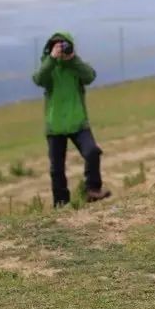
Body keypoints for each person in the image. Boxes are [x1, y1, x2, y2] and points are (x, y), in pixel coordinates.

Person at [32, 31, 111, 207]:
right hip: (56, 126)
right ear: (50, 48)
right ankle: (61, 204)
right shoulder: (48, 68)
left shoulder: (75, 66)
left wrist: (73, 60)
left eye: (64, 44)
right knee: (57, 169)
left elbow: (90, 76)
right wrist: (52, 59)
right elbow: (38, 79)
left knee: (92, 152)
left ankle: (93, 189)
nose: (61, 48)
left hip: (78, 122)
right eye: (57, 45)